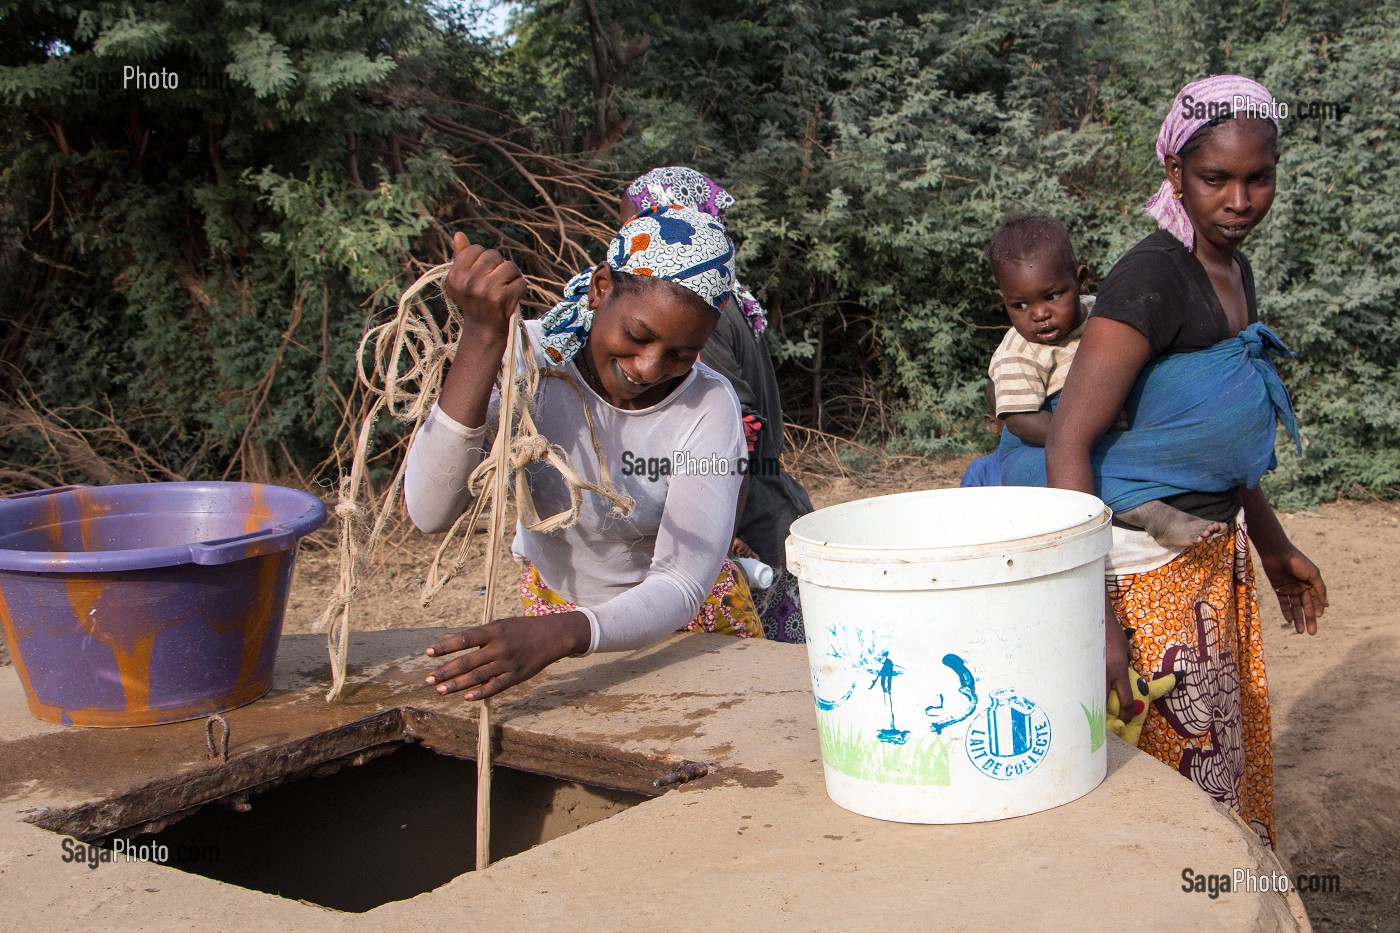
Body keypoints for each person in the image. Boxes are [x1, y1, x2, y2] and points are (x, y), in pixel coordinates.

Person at [1044, 75, 1327, 848]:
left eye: (1257, 177)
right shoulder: (1151, 279)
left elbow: (1220, 441)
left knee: (1212, 768)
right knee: (1166, 797)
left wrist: (1271, 544)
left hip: (1206, 556)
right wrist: (1092, 616)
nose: (1239, 199)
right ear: (1175, 174)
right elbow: (1069, 440)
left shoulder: (1231, 267)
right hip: (1139, 576)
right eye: (1215, 179)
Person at [406, 203, 764, 703]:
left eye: (682, 354)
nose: (648, 367)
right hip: (556, 613)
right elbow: (428, 511)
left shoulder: (707, 406)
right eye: (637, 336)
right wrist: (482, 336)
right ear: (600, 289)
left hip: (685, 625)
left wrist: (567, 634)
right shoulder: (529, 363)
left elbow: (682, 582)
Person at [622, 167, 813, 643]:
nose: (625, 241)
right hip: (751, 498)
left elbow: (740, 427)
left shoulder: (698, 313)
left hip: (747, 508)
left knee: (764, 668)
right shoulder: (719, 302)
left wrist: (721, 532)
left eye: (634, 228)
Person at [984, 214, 1228, 548]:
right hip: (1047, 442)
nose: (1039, 314)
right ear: (1004, 302)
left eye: (1053, 296)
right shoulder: (1018, 352)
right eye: (1020, 305)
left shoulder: (1102, 312)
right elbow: (1019, 420)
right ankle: (1153, 515)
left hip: (1102, 419)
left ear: (1080, 280)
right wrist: (1079, 427)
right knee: (1101, 476)